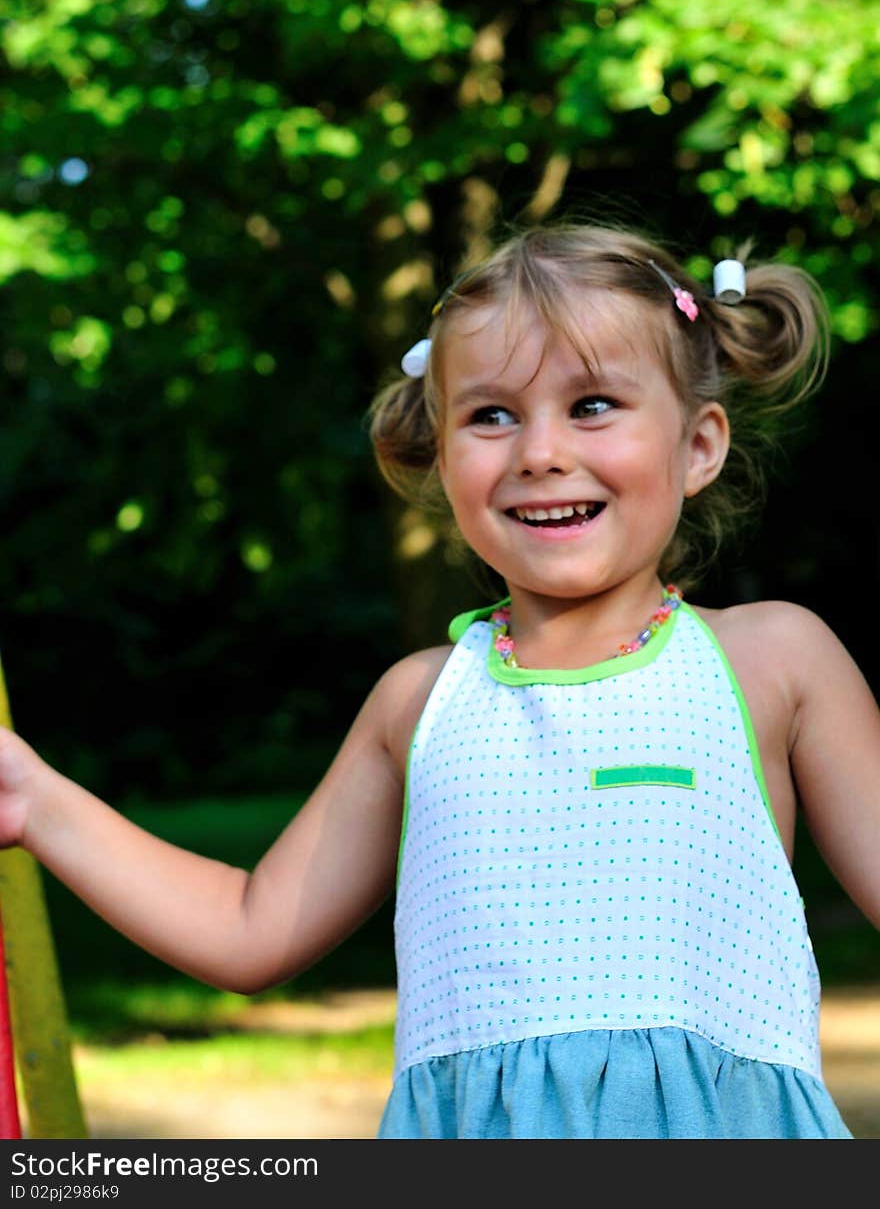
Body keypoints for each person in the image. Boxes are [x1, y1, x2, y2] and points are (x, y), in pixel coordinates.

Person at [0, 221, 875, 1139]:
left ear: (699, 445)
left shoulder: (772, 660)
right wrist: (32, 798)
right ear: (444, 453)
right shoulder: (420, 703)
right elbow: (248, 927)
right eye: (491, 414)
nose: (538, 450)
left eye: (592, 406)